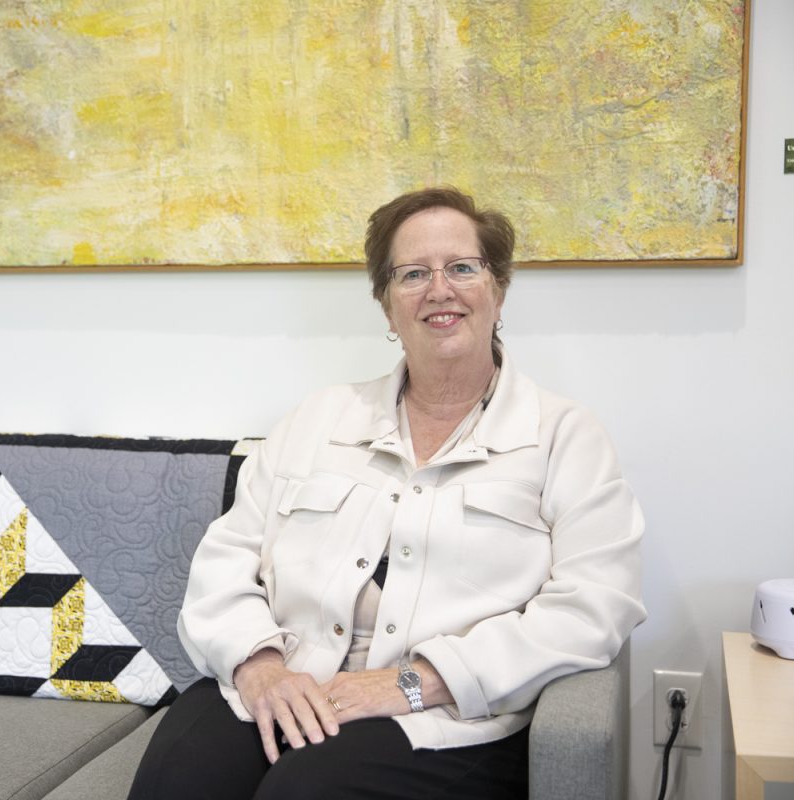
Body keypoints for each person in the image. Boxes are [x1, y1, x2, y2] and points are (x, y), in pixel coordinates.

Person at [127, 187, 646, 800]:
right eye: (412, 274)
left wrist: (412, 683)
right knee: (178, 777)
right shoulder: (318, 418)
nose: (439, 289)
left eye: (462, 267)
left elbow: (593, 607)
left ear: (498, 289)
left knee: (307, 792)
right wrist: (259, 667)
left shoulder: (563, 435)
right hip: (288, 680)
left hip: (446, 714)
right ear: (386, 305)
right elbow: (226, 560)